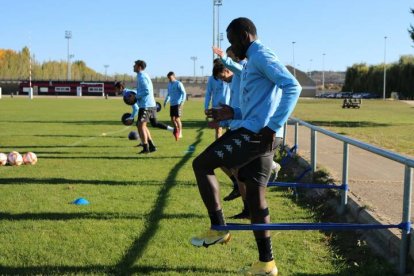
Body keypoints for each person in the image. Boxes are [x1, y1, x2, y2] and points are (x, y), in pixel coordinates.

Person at [191, 17, 302, 275]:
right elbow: (258, 107)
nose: (232, 47)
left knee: (202, 164)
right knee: (254, 195)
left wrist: (272, 127)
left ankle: (218, 228)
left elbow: (292, 87)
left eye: (232, 41)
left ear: (244, 36)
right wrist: (231, 113)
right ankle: (267, 263)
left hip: (257, 135)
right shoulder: (254, 60)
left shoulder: (261, 55)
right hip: (256, 130)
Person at [128, 60, 177, 154]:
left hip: (146, 105)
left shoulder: (142, 76)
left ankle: (146, 148)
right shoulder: (142, 75)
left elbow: (146, 91)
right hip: (150, 104)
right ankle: (152, 146)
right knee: (152, 123)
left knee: (140, 125)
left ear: (139, 67)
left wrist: (136, 96)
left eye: (134, 65)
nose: (133, 66)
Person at [204, 59, 231, 139]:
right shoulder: (211, 79)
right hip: (217, 107)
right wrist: (206, 107)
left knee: (229, 129)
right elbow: (208, 93)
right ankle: (219, 148)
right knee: (218, 129)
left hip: (229, 107)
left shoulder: (229, 76)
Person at [164, 71, 186, 139]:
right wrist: (166, 101)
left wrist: (182, 102)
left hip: (178, 104)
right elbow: (168, 94)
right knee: (172, 119)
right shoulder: (169, 84)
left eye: (170, 78)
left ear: (174, 76)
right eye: (168, 78)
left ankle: (180, 133)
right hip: (172, 104)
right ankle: (176, 130)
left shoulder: (178, 83)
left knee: (177, 118)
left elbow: (184, 93)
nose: (169, 79)